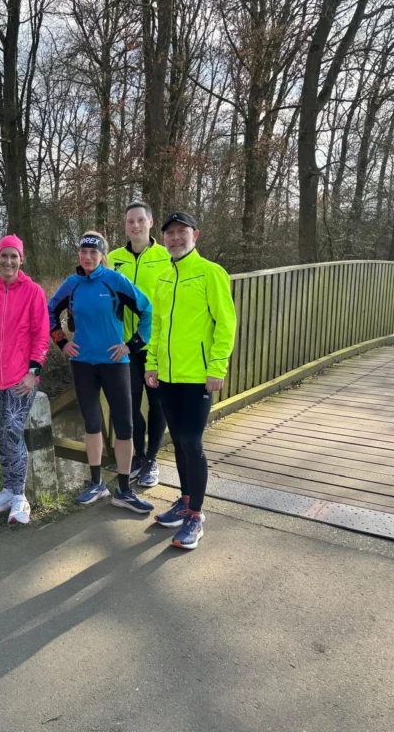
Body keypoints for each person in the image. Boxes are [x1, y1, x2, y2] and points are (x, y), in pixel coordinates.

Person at [145, 212, 236, 550]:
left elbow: (225, 324)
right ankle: (185, 500)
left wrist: (217, 367)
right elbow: (157, 326)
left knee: (191, 441)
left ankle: (196, 515)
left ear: (195, 235)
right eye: (169, 233)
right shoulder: (164, 276)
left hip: (198, 376)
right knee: (179, 442)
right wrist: (151, 364)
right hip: (167, 375)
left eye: (181, 232)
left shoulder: (211, 273)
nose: (175, 238)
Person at [49, 231, 154, 514]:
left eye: (93, 253)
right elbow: (49, 312)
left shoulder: (115, 281)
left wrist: (131, 346)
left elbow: (146, 310)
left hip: (115, 363)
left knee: (124, 425)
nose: (87, 257)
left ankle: (124, 489)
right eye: (83, 252)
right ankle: (96, 483)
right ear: (78, 255)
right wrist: (62, 342)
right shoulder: (71, 284)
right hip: (82, 363)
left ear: (102, 256)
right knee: (92, 424)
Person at [0, 235, 49, 525]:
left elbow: (41, 336)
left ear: (21, 259)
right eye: (4, 256)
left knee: (13, 433)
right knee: (1, 435)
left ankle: (19, 497)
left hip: (20, 379)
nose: (8, 261)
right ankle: (7, 488)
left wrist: (33, 372)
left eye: (14, 256)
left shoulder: (33, 292)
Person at [108, 201, 171, 487]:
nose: (135, 226)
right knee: (129, 404)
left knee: (157, 403)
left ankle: (152, 460)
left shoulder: (166, 255)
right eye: (130, 222)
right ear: (125, 226)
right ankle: (138, 455)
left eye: (140, 221)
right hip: (124, 345)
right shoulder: (112, 257)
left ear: (150, 222)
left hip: (155, 344)